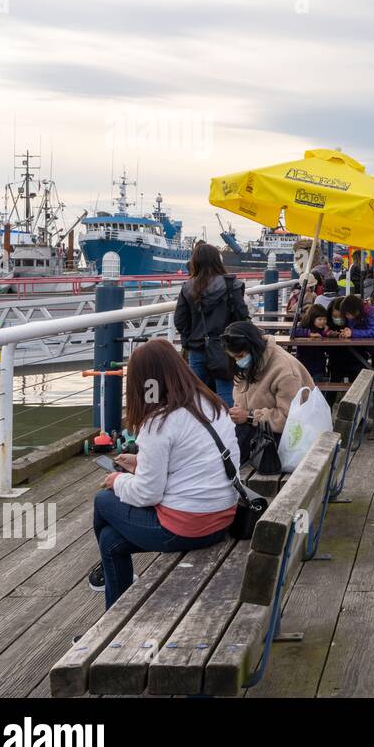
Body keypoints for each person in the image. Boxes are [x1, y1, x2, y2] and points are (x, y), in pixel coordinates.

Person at [88, 339, 238, 608]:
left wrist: (118, 480)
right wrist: (141, 462)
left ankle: (107, 587)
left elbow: (148, 493)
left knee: (104, 501)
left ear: (143, 382)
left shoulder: (159, 420)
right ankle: (113, 613)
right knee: (111, 542)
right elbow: (191, 460)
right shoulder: (209, 403)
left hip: (187, 527)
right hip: (223, 517)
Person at [222, 321, 316, 469]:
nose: (238, 361)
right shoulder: (250, 364)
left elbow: (289, 419)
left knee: (223, 461)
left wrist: (250, 416)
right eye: (234, 357)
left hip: (285, 439)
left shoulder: (285, 370)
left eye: (240, 356)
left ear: (253, 348)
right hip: (258, 431)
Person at [174, 242, 249, 405]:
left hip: (197, 347)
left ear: (195, 262)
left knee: (197, 395)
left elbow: (179, 321)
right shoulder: (231, 284)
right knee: (226, 392)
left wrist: (191, 337)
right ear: (217, 261)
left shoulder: (188, 287)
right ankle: (228, 428)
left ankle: (202, 428)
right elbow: (242, 315)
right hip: (225, 348)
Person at [291, 302, 333, 381]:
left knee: (317, 384)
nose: (323, 321)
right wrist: (309, 333)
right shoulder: (305, 326)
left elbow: (327, 349)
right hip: (303, 362)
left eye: (325, 319)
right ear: (312, 319)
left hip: (319, 365)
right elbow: (293, 332)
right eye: (319, 319)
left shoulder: (324, 330)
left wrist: (326, 334)